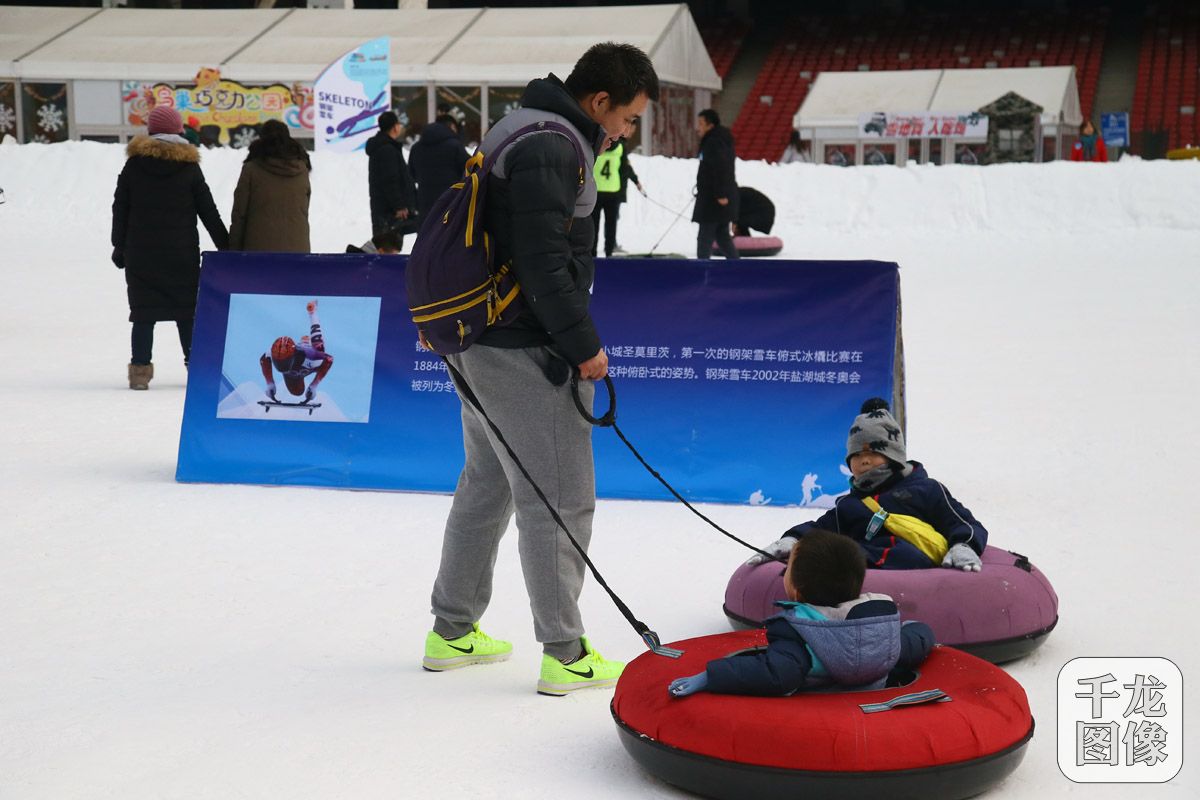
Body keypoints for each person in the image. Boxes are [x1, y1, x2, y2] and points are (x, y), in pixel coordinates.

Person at [422, 42, 659, 696]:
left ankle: (452, 629)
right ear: (599, 101)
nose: (626, 133)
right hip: (517, 344)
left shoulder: (523, 124)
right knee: (559, 495)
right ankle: (565, 650)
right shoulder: (555, 146)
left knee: (489, 483)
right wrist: (583, 345)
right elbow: (542, 264)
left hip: (478, 338)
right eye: (627, 118)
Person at [669, 530, 935, 697]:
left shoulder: (800, 632)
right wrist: (917, 629)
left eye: (790, 565)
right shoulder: (878, 629)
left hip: (818, 716)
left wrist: (711, 676)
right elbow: (913, 642)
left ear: (796, 590)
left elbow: (777, 673)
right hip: (868, 713)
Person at [748, 398, 988, 571]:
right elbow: (822, 529)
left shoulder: (926, 490)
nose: (863, 459)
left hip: (917, 570)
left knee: (878, 551)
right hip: (860, 577)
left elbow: (963, 522)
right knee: (837, 552)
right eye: (855, 455)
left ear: (893, 455)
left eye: (874, 452)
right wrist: (793, 539)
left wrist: (963, 546)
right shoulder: (850, 505)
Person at [111, 104, 228, 390]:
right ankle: (195, 369)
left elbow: (120, 207)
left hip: (141, 253)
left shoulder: (134, 165)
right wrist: (227, 246)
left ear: (151, 131)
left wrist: (119, 245)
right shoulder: (189, 167)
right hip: (181, 254)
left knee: (143, 314)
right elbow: (207, 210)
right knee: (186, 312)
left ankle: (139, 374)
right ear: (178, 130)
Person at [229, 119, 312, 253]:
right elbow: (303, 211)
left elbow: (239, 215)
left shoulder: (251, 169)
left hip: (258, 254)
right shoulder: (301, 170)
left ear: (261, 140)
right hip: (297, 253)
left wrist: (233, 251)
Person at [259, 299, 333, 404]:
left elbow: (329, 359)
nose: (281, 367)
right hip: (297, 366)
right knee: (297, 392)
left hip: (309, 357)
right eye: (278, 363)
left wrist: (314, 385)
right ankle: (304, 341)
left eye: (283, 363)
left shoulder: (314, 357)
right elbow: (264, 360)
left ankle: (311, 321)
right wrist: (270, 384)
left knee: (318, 344)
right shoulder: (270, 353)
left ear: (293, 356)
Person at [590, 121, 643, 258]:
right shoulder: (620, 146)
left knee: (593, 225)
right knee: (611, 225)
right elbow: (624, 168)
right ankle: (609, 253)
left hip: (595, 191)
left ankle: (593, 254)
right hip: (613, 191)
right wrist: (635, 180)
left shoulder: (598, 143)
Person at [693, 109, 739, 260]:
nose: (697, 127)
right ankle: (737, 268)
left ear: (710, 125)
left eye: (701, 123)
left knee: (705, 238)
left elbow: (720, 168)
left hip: (713, 199)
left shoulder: (714, 142)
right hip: (715, 196)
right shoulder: (718, 139)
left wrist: (720, 194)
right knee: (722, 236)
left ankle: (702, 272)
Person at [366, 110, 416, 245]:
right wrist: (399, 206)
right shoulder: (387, 149)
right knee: (387, 249)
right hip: (389, 213)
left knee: (386, 247)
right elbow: (390, 180)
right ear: (395, 127)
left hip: (384, 211)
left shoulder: (383, 147)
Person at [408, 114, 469, 222]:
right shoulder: (455, 146)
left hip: (425, 204)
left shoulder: (416, 148)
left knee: (427, 236)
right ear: (451, 126)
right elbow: (469, 171)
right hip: (451, 202)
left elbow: (411, 175)